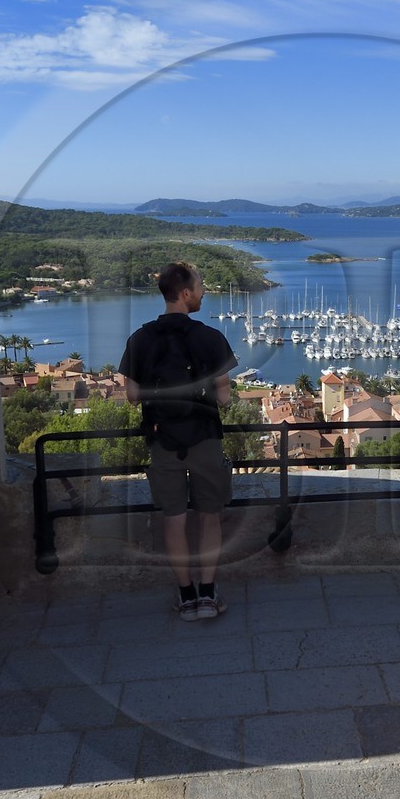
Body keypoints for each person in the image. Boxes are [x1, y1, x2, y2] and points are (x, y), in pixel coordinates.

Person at [120, 262, 238, 621]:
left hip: (162, 441)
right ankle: (208, 594)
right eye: (200, 287)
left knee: (173, 520)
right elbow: (224, 399)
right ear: (185, 293)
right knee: (209, 518)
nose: (203, 292)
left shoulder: (140, 339)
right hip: (204, 438)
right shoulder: (210, 337)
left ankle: (185, 596)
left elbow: (132, 396)